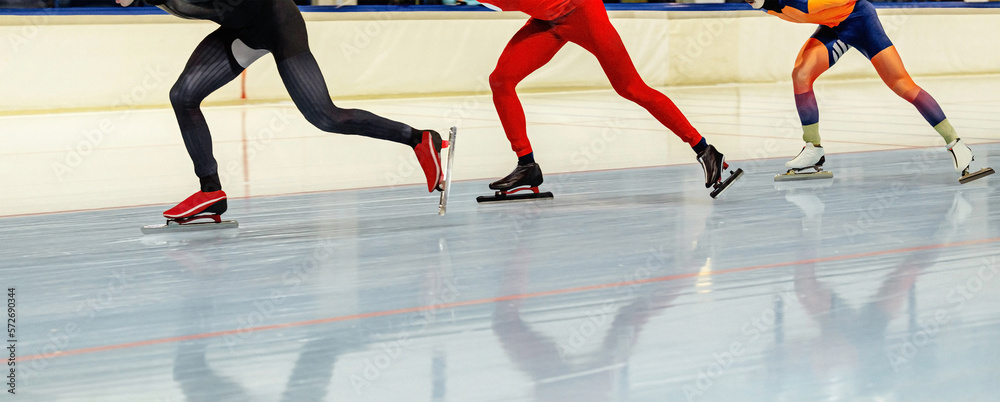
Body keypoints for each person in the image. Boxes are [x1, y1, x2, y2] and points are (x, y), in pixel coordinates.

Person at [117, 0, 445, 223]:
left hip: (277, 21)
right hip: (240, 31)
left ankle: (417, 139)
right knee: (183, 95)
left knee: (325, 116)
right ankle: (210, 192)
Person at [479, 0, 741, 199]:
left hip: (582, 11)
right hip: (547, 21)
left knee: (631, 87)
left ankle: (705, 150)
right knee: (501, 80)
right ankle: (526, 165)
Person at [747, 0, 991, 182]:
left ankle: (956, 144)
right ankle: (813, 149)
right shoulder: (769, 4)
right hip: (835, 26)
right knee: (801, 75)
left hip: (860, 20)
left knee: (902, 85)